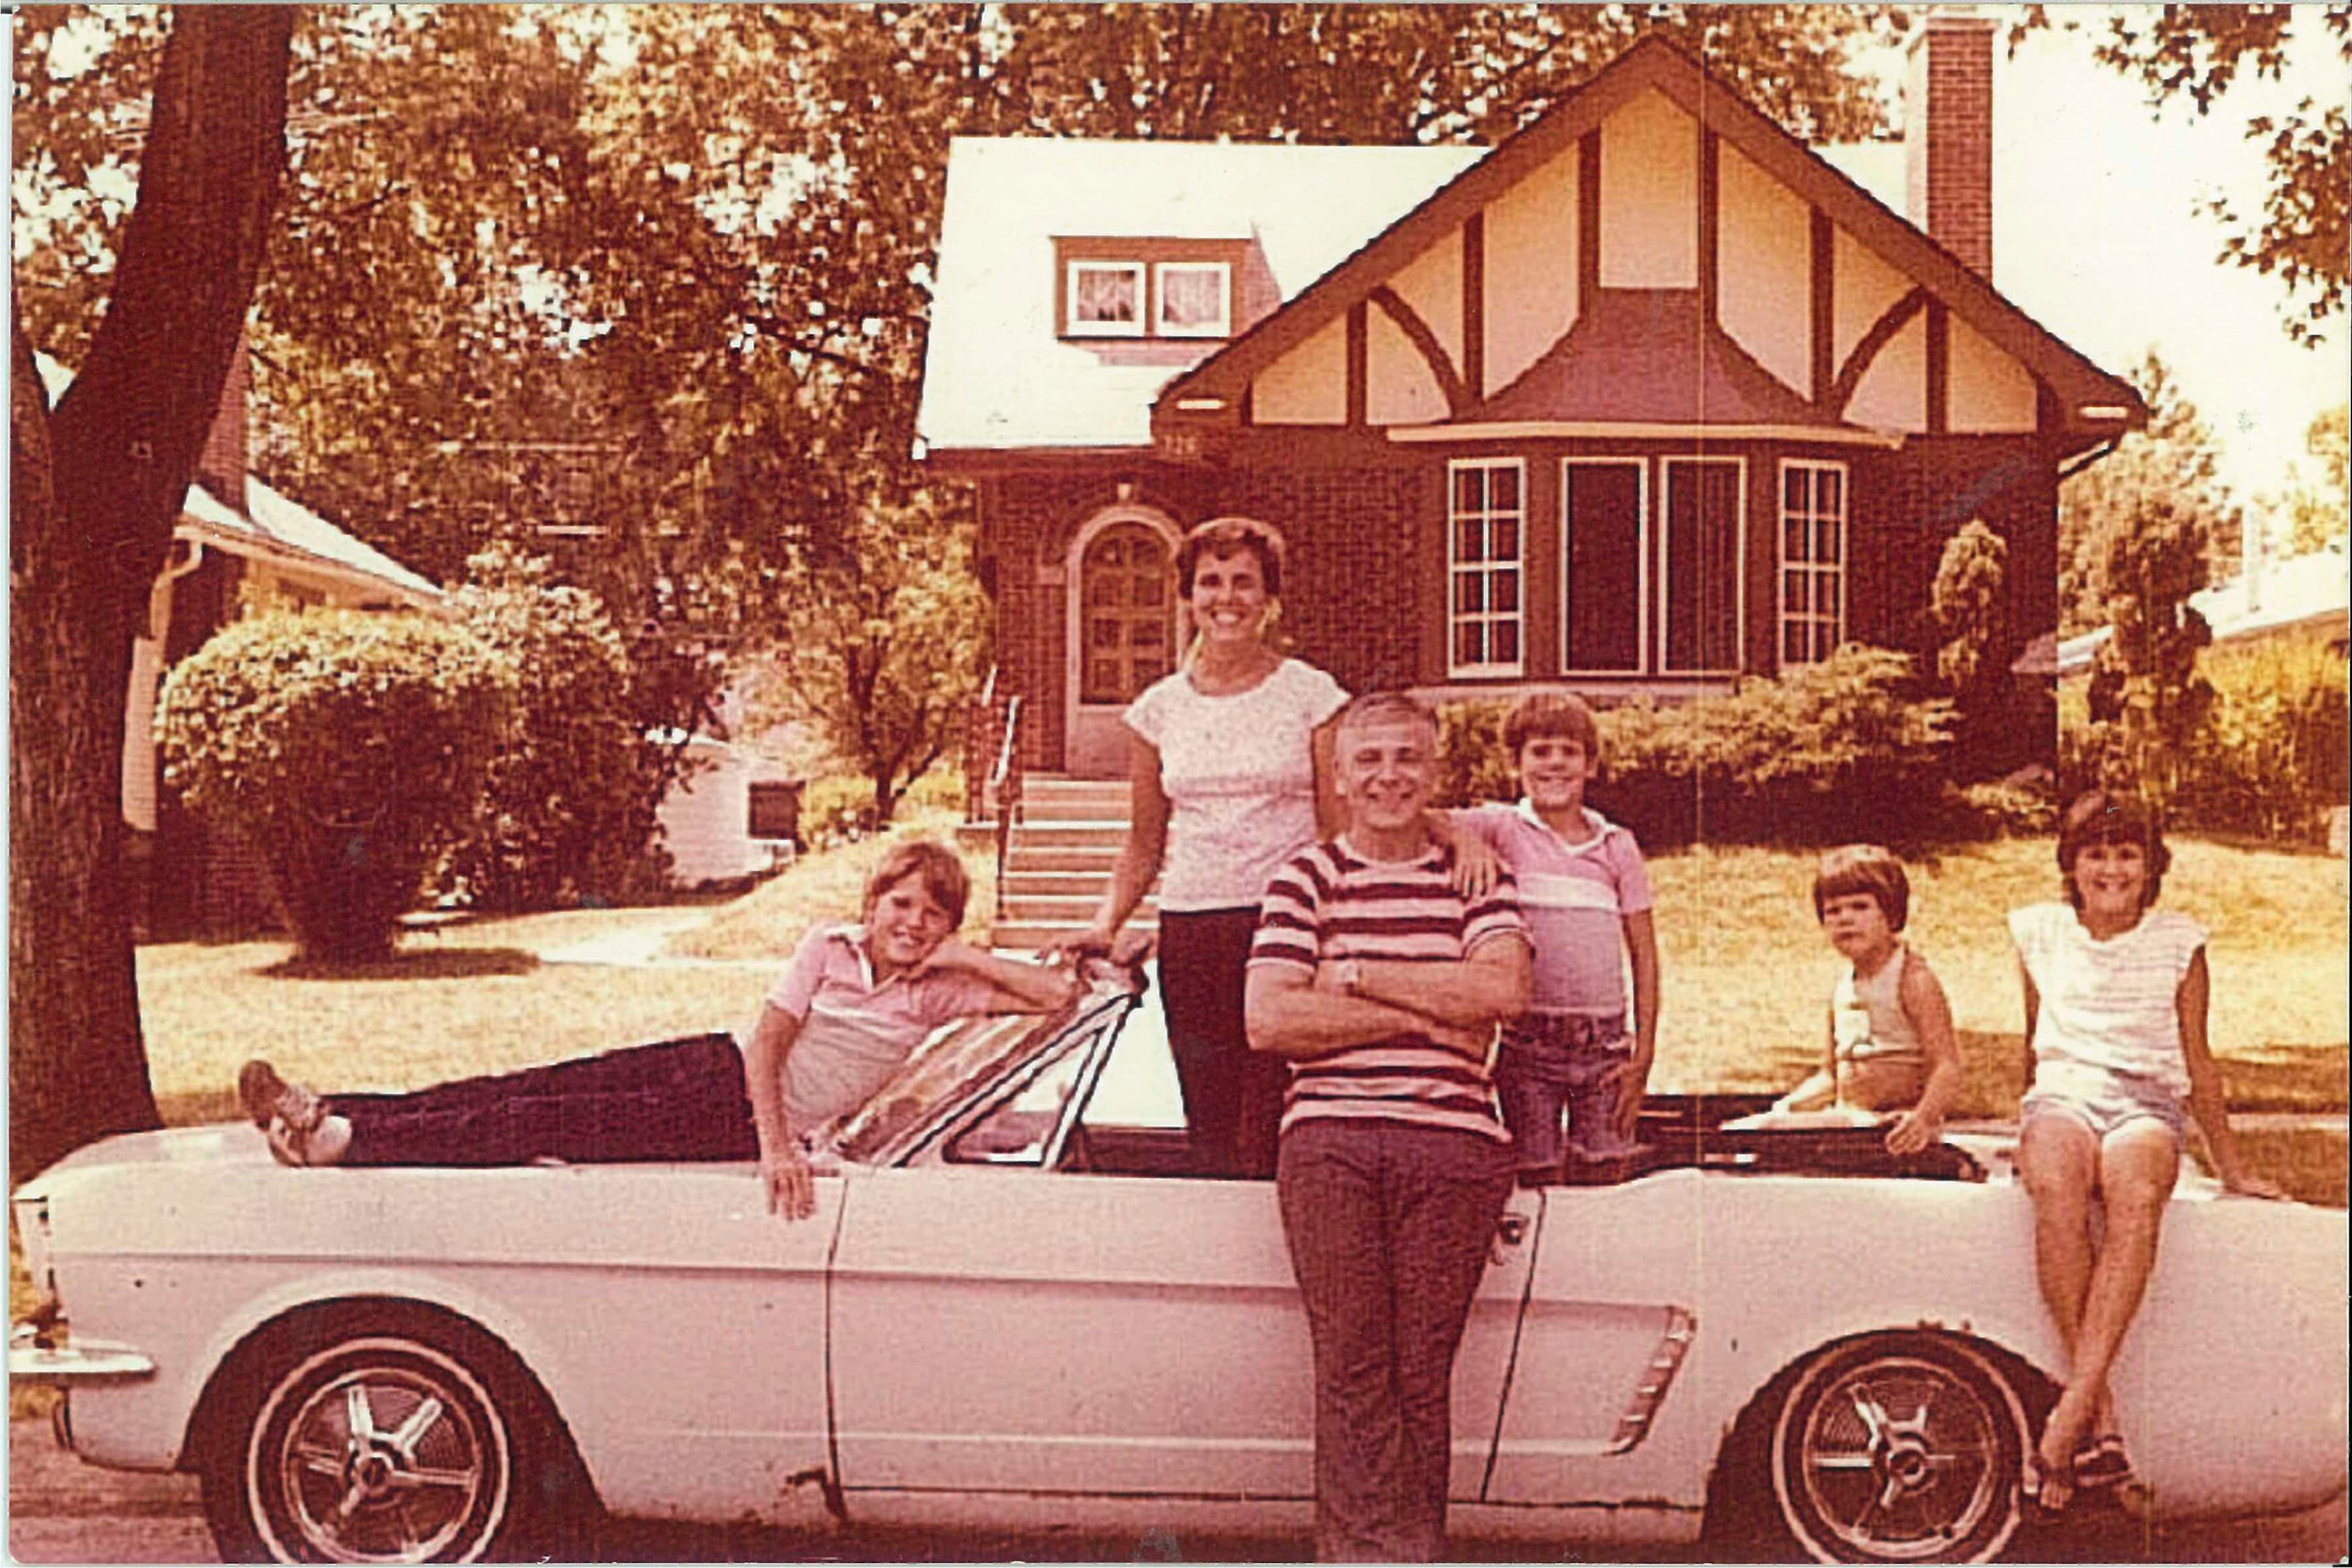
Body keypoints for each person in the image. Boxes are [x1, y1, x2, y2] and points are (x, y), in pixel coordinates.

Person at [238, 840, 1077, 1223]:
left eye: (934, 914)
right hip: (720, 1072)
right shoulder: (828, 944)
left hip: (720, 1121)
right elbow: (771, 1042)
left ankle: (345, 1142)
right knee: (532, 1085)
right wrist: (778, 1144)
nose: (913, 923)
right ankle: (325, 1108)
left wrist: (965, 954)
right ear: (871, 904)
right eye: (901, 905)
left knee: (540, 1126)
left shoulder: (936, 995)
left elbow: (1052, 997)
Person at [1245, 691, 1531, 1562]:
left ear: (1435, 770)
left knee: (1419, 1366)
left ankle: (1406, 1555)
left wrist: (1358, 974)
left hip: (1455, 1146)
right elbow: (1270, 1021)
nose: (1389, 776)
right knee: (1353, 1362)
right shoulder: (1307, 878)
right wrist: (1425, 1017)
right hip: (1329, 1142)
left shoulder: (1475, 875)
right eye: (1368, 761)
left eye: (1407, 758)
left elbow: (1501, 994)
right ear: (1339, 779)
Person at [2010, 790, 2282, 1510]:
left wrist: (2233, 1167)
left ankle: (2071, 1412)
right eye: (2095, 853)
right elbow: (2033, 1044)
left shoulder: (2180, 942)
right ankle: (2099, 1416)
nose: (2110, 869)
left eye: (2126, 853)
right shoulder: (2039, 931)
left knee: (2136, 1189)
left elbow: (2199, 1059)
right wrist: (2027, 1128)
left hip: (2143, 1103)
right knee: (2058, 1186)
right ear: (2071, 864)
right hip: (2063, 1094)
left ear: (2150, 864)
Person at [1060, 514, 1348, 1178]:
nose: (1227, 598)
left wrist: (1340, 928)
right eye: (1209, 582)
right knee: (1211, 1125)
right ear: (1186, 599)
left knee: (1281, 1115)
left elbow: (1338, 831)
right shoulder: (1158, 709)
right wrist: (1105, 924)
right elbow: (1143, 843)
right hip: (1193, 934)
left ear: (1269, 598)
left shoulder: (1312, 696)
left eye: (1244, 582)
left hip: (1288, 927)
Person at [1448, 690, 1659, 1180]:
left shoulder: (1616, 844)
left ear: (1590, 765)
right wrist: (1465, 842)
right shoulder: (1501, 828)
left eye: (1570, 751)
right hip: (1528, 1046)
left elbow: (1645, 955)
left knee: (1606, 1175)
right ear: (1515, 763)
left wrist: (1643, 1053)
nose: (1555, 764)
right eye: (1540, 752)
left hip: (1605, 1048)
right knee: (1535, 1174)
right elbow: (1427, 820)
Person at [1765, 844, 1962, 1155]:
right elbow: (1830, 1075)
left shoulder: (1912, 980)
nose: (1845, 919)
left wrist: (1923, 1118)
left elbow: (1947, 1066)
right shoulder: (1842, 988)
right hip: (1853, 1123)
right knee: (1758, 1137)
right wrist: (1785, 1109)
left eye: (1860, 907)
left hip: (1899, 1127)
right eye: (1834, 911)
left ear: (1891, 913)